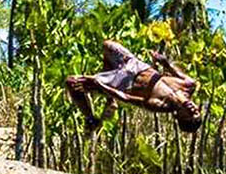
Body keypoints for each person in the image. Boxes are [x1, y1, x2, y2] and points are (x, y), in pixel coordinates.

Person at [65, 39, 203, 133]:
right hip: (137, 66)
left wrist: (100, 84)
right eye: (196, 111)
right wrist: (164, 62)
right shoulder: (189, 86)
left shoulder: (160, 105)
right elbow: (175, 70)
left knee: (72, 82)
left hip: (122, 83)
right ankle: (108, 99)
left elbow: (125, 97)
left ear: (179, 116)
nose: (192, 110)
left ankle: (91, 119)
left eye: (190, 115)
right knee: (108, 45)